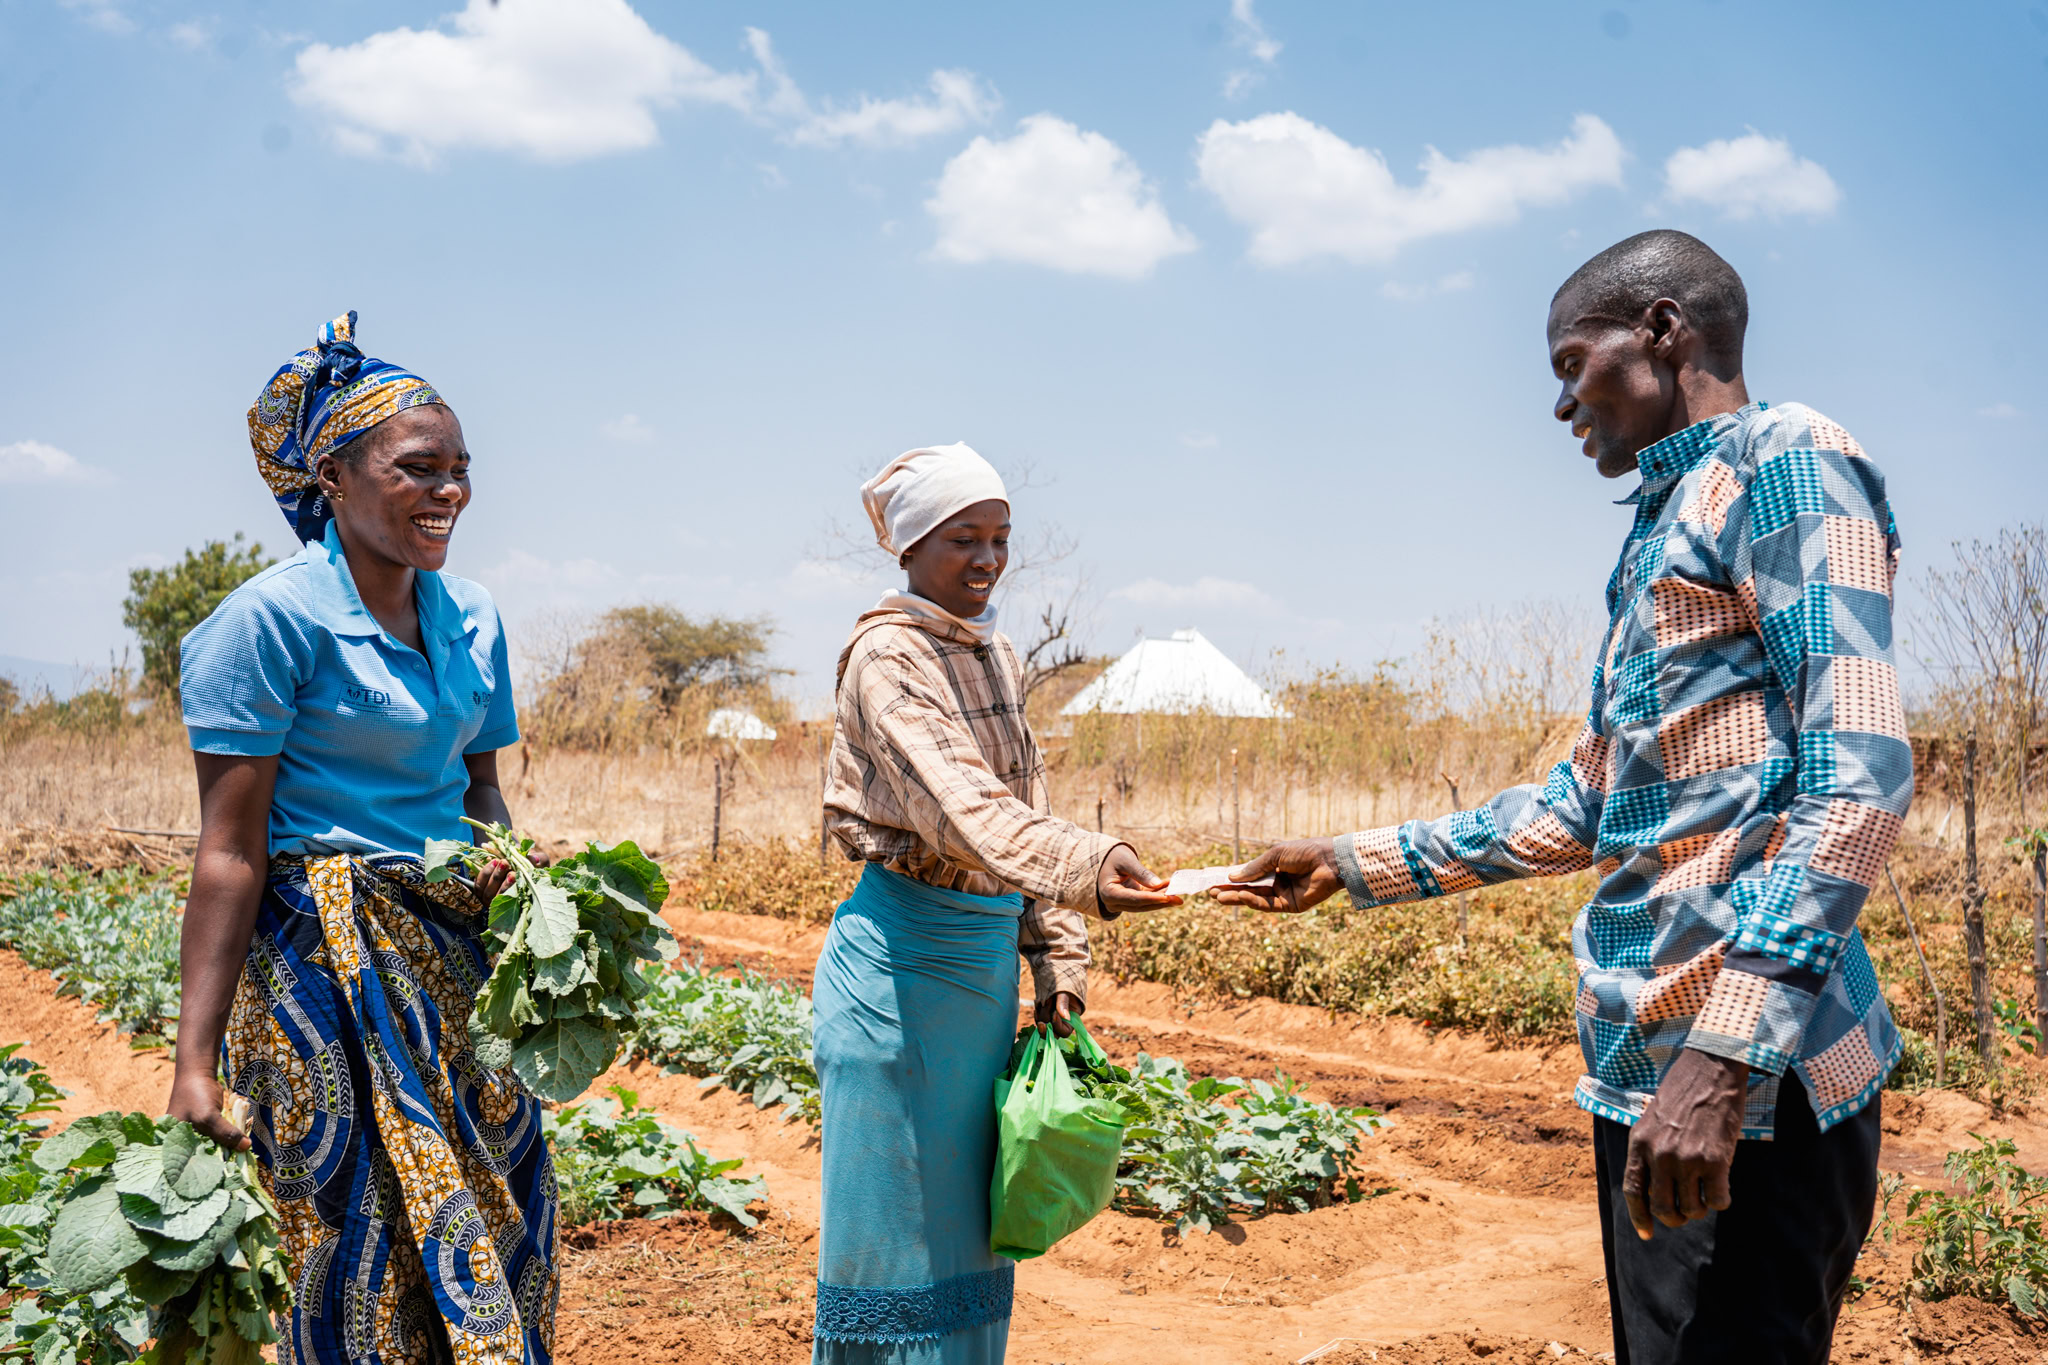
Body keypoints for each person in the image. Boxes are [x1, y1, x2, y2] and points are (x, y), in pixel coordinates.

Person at [1218, 232, 1910, 1364]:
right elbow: (1588, 803)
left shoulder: (1784, 463)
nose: (1556, 404)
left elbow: (1859, 774)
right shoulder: (1666, 514)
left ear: (1660, 331)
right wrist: (1348, 861)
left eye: (1567, 362)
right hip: (1651, 1062)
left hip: (1743, 1081)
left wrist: (1721, 1058)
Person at [170, 312, 557, 1365]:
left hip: (455, 968)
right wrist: (191, 1063)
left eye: (460, 471)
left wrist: (521, 889)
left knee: (501, 1220)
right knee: (350, 1254)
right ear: (332, 479)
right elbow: (229, 852)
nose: (449, 493)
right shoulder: (266, 624)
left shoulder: (470, 615)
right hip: (320, 976)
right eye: (417, 469)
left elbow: (480, 788)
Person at [812, 443, 1181, 1363]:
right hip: (897, 976)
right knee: (898, 1256)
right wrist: (1093, 867)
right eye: (962, 539)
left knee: (969, 1248)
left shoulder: (997, 653)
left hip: (977, 979)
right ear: (909, 548)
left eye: (1000, 538)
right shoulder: (886, 659)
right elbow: (965, 813)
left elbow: (1028, 804)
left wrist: (1057, 963)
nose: (986, 559)